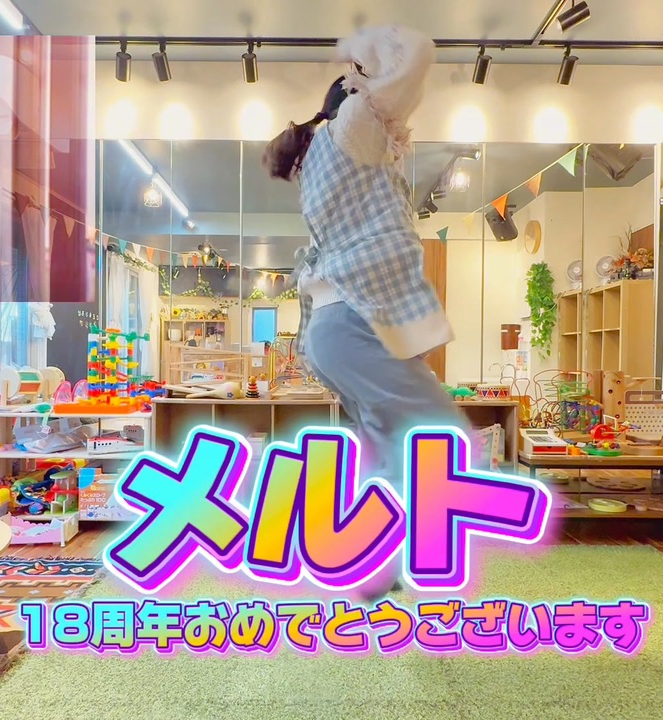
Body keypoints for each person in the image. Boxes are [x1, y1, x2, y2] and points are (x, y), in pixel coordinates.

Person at [264, 26, 473, 592]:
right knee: (439, 437)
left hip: (338, 328)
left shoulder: (321, 160)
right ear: (356, 95)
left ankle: (368, 561)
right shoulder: (353, 128)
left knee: (391, 445)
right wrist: (365, 49)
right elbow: (418, 53)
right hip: (354, 322)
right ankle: (376, 559)